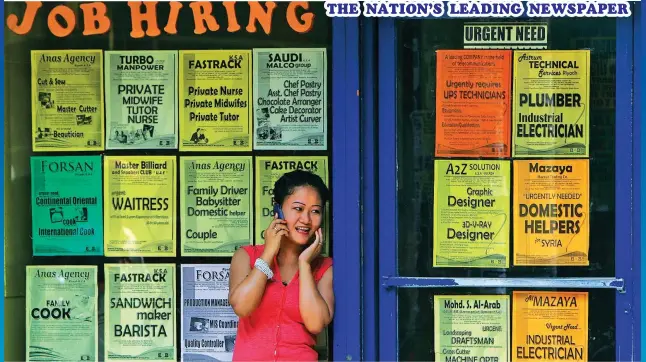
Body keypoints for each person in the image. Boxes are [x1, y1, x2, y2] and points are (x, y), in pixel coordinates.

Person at [228, 170, 334, 361]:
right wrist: (268, 253)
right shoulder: (246, 256)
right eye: (298, 209)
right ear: (278, 210)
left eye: (315, 211)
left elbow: (316, 323)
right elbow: (241, 307)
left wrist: (304, 265)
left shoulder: (325, 268)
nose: (306, 220)